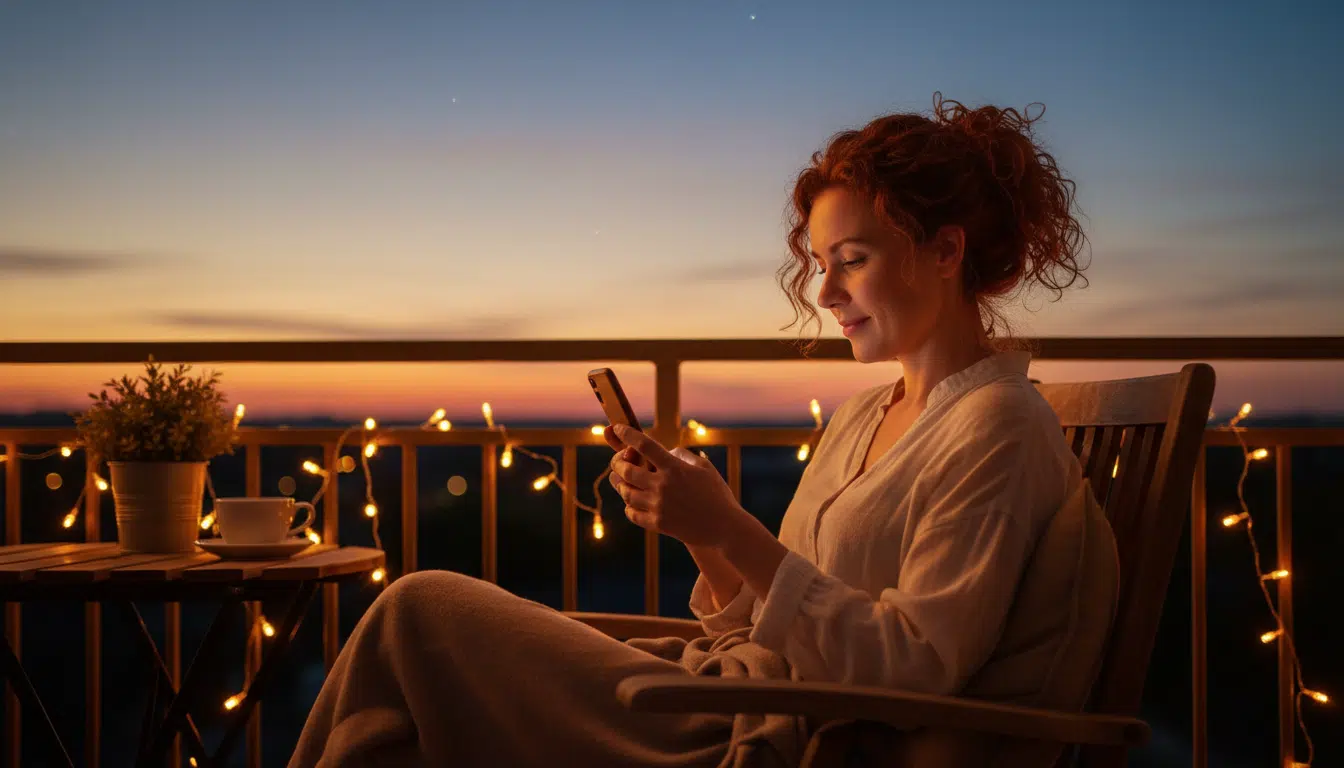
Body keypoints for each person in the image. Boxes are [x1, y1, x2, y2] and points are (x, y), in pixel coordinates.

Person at [289, 93, 1111, 768]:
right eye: (820, 263)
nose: (825, 293)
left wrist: (731, 527)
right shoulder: (869, 413)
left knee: (418, 615)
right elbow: (762, 618)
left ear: (944, 252)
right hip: (732, 695)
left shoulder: (997, 428)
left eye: (851, 259)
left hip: (762, 737)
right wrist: (700, 535)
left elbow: (917, 668)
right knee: (405, 677)